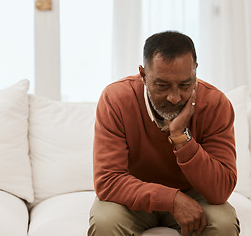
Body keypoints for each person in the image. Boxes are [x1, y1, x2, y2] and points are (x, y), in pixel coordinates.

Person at [88, 31, 240, 236]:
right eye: (162, 85)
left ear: (195, 70)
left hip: (194, 193)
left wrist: (181, 137)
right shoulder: (115, 99)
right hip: (133, 194)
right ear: (143, 75)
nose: (175, 98)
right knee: (105, 221)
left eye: (185, 85)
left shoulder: (216, 104)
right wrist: (172, 199)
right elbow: (108, 180)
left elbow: (221, 189)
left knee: (223, 223)